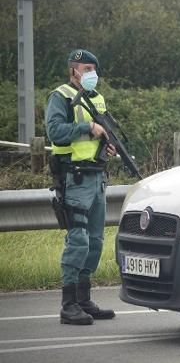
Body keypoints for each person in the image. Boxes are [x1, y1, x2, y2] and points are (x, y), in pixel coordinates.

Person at [45, 49, 117, 325]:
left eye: (93, 69)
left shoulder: (96, 98)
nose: (91, 74)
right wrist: (86, 127)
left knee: (96, 242)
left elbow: (100, 134)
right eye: (86, 69)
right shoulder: (60, 96)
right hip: (74, 178)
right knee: (79, 241)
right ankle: (69, 304)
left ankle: (84, 298)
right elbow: (55, 133)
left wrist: (105, 145)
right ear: (73, 70)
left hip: (97, 177)